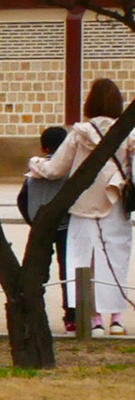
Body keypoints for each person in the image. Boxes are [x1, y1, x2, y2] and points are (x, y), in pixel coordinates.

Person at [30, 78, 132, 336]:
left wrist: (36, 164)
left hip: (83, 203)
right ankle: (116, 319)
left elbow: (56, 169)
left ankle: (93, 318)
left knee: (83, 260)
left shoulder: (80, 132)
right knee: (116, 261)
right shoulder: (128, 132)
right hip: (116, 203)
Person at [18, 125, 74, 331]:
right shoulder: (70, 172)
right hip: (66, 226)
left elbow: (22, 200)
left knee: (37, 271)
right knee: (68, 270)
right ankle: (72, 315)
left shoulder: (33, 172)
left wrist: (32, 221)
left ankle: (31, 312)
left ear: (43, 148)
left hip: (40, 227)